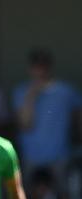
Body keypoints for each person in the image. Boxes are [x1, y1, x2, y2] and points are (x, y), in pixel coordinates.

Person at [12, 48, 82, 182]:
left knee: (63, 198)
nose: (40, 70)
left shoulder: (66, 91)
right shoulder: (21, 92)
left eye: (43, 65)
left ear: (50, 66)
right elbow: (25, 124)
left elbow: (79, 116)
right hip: (31, 157)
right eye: (36, 66)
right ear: (30, 68)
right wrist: (31, 96)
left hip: (60, 156)